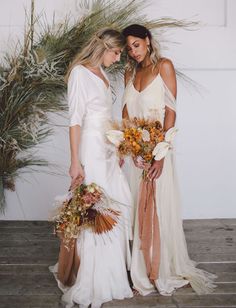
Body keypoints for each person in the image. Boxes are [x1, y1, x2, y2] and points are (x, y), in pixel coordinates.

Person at [122, 24, 217, 296]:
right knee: (138, 209)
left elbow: (171, 113)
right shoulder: (129, 72)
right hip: (137, 155)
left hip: (158, 151)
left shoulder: (164, 65)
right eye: (128, 48)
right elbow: (126, 112)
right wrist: (132, 150)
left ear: (148, 41)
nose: (133, 51)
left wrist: (160, 153)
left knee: (159, 208)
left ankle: (159, 267)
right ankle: (140, 267)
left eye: (136, 45)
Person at [51, 28, 133, 308]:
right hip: (91, 150)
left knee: (116, 203)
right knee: (95, 207)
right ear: (104, 48)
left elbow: (106, 117)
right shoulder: (80, 73)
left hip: (107, 150)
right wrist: (75, 161)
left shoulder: (103, 74)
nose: (119, 57)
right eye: (117, 52)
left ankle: (112, 270)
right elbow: (75, 120)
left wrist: (117, 147)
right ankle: (93, 275)